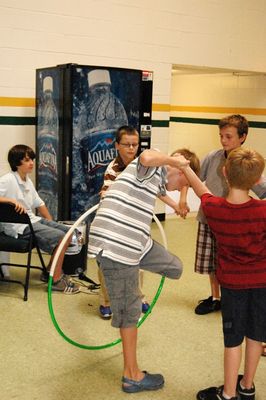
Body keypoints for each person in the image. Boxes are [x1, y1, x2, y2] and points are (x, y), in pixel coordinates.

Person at [88, 147, 200, 393]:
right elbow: (148, 157)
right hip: (118, 244)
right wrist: (175, 161)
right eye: (184, 183)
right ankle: (132, 376)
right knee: (130, 311)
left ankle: (129, 275)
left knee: (176, 267)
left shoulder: (156, 178)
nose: (183, 189)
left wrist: (179, 203)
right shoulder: (151, 164)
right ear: (178, 169)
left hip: (135, 242)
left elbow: (166, 191)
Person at [178, 147, 266, 400]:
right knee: (255, 336)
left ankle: (228, 394)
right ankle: (247, 387)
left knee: (233, 339)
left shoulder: (215, 209)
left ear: (225, 173)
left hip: (233, 286)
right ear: (258, 179)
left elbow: (201, 190)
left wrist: (185, 167)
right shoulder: (263, 211)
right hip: (262, 284)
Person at [97, 125, 186, 319]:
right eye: (126, 145)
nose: (131, 148)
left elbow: (159, 190)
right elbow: (107, 197)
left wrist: (176, 205)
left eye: (134, 144)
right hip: (114, 226)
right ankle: (107, 301)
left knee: (137, 258)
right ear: (117, 146)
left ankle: (137, 297)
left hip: (134, 226)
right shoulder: (114, 169)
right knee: (108, 262)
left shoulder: (146, 165)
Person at [182, 115, 266, 315]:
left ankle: (233, 295)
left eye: (229, 136)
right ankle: (216, 297)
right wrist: (182, 199)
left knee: (231, 262)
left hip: (235, 224)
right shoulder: (213, 157)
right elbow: (194, 179)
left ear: (242, 137)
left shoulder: (247, 162)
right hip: (210, 218)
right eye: (221, 136)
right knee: (212, 262)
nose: (223, 141)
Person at [0, 144, 80, 294]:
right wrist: (10, 201)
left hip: (32, 220)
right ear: (17, 162)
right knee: (62, 237)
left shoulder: (27, 181)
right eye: (27, 160)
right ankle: (56, 280)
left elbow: (39, 203)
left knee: (69, 232)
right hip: (18, 227)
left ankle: (49, 271)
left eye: (32, 159)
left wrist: (52, 224)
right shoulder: (8, 180)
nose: (31, 163)